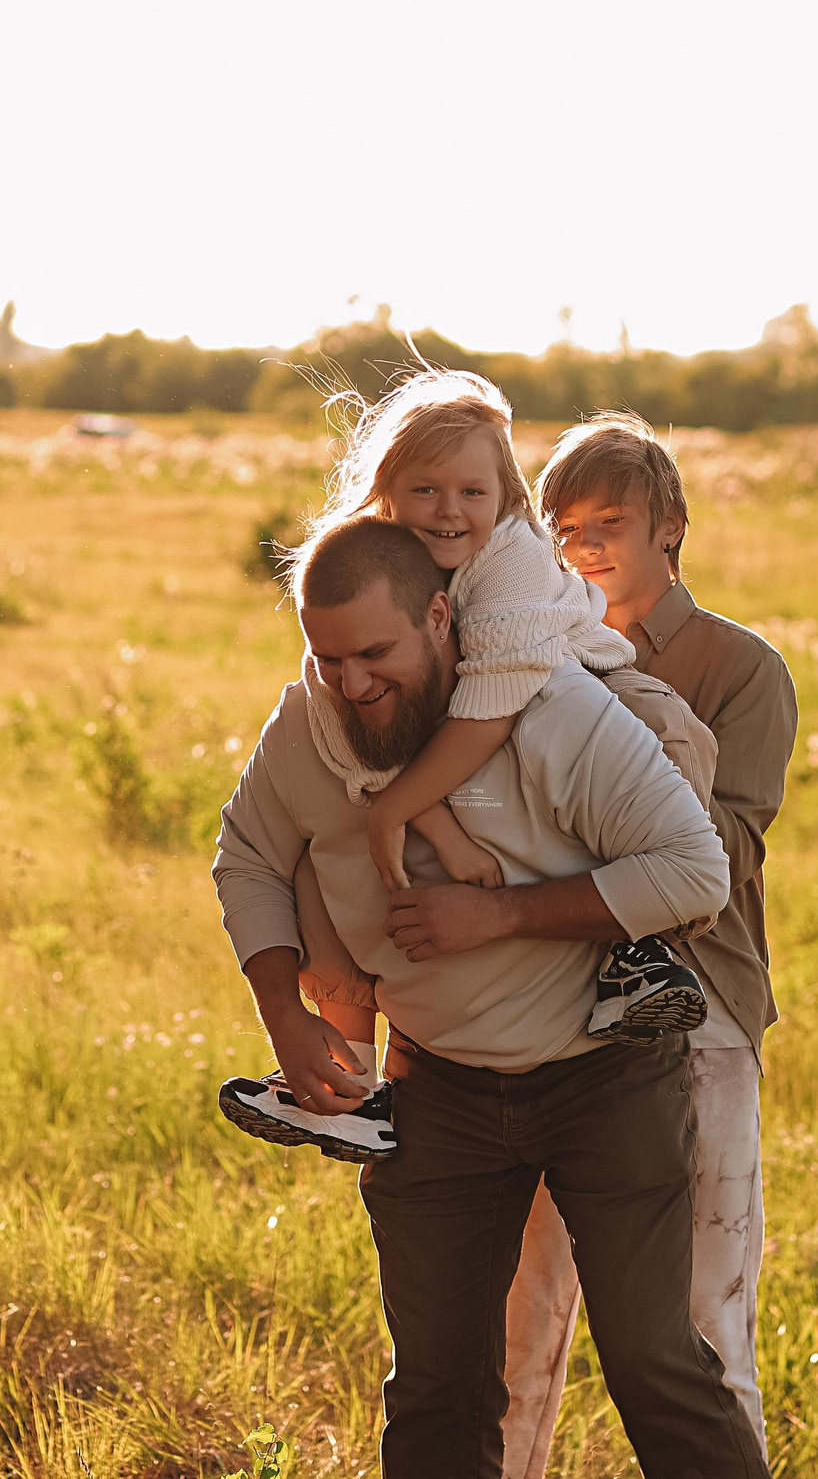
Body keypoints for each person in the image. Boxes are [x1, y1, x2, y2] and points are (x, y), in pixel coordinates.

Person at [212, 515, 768, 1479]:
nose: (352, 683)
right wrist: (285, 1015)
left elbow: (694, 870)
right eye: (328, 656)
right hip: (437, 1090)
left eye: (375, 652)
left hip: (608, 1081)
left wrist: (501, 917)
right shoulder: (307, 723)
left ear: (440, 616)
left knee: (653, 1363)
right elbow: (249, 854)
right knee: (437, 1387)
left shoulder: (553, 710)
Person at [216, 369, 707, 1161]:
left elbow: (482, 714)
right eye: (425, 490)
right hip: (464, 721)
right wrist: (415, 815)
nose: (449, 509)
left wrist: (398, 813)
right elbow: (370, 755)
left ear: (504, 496)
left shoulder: (508, 566)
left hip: (580, 672)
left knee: (671, 750)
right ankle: (348, 1076)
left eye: (472, 492)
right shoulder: (389, 576)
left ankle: (640, 957)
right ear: (388, 494)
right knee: (315, 854)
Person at [497, 411, 799, 1473]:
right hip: (540, 1008)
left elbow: (715, 864)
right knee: (517, 1325)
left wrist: (620, 728)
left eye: (610, 521)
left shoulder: (738, 667)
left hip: (700, 1015)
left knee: (703, 1318)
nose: (583, 546)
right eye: (562, 526)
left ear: (670, 526)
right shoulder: (521, 656)